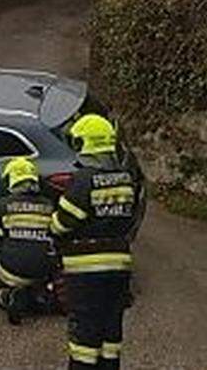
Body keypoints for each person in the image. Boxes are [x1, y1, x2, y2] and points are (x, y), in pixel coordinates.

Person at [51, 114, 140, 370]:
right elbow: (130, 217)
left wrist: (53, 226)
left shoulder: (82, 181)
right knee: (111, 330)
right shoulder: (125, 177)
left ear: (84, 143)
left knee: (85, 334)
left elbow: (62, 224)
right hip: (119, 267)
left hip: (86, 270)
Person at [0, 156, 57, 325]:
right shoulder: (49, 205)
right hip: (44, 270)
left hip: (11, 269)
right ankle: (39, 295)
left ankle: (12, 295)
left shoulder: (3, 205)